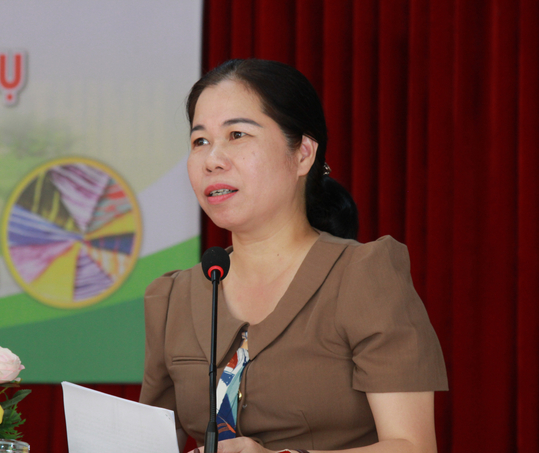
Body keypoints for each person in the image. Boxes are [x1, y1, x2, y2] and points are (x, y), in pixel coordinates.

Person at [140, 59, 447, 453]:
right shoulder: (173, 298)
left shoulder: (363, 276)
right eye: (200, 141)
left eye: (236, 134)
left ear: (303, 153)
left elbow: (413, 446)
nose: (212, 159)